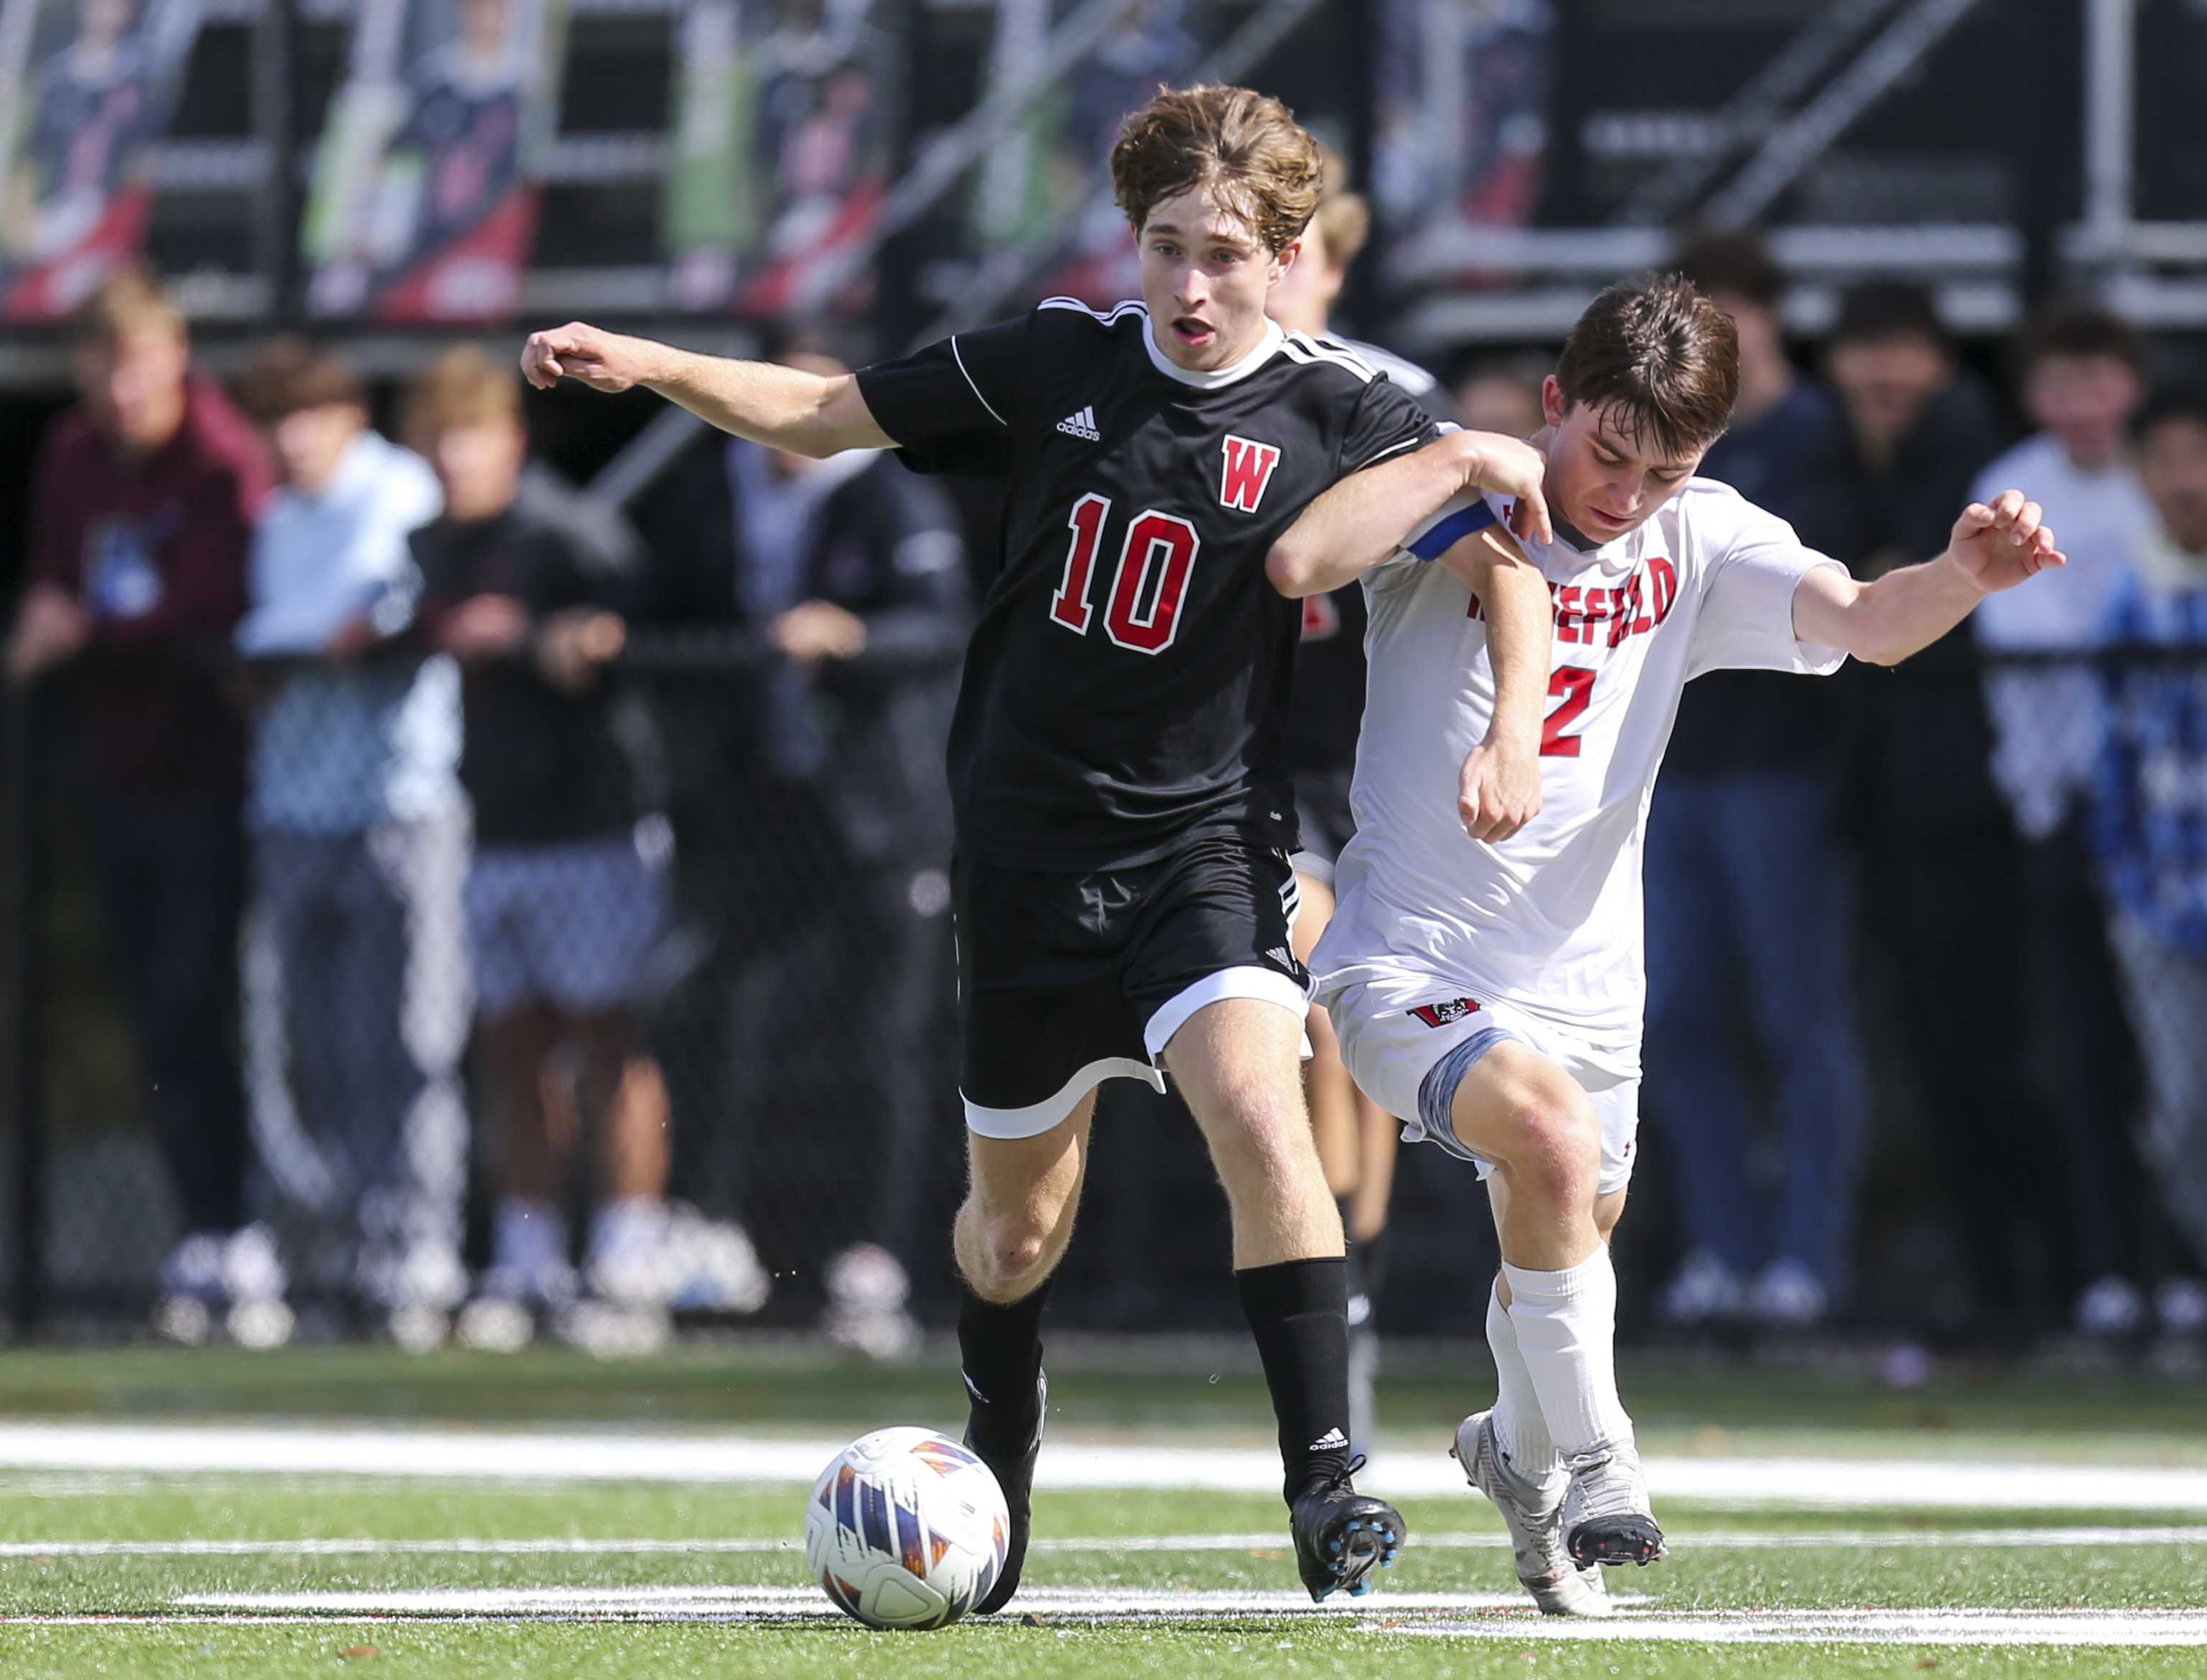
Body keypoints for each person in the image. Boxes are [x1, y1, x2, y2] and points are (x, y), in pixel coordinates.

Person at [522, 83, 1554, 1606]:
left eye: (1222, 251)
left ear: (1284, 255)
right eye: (1163, 246)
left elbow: (1502, 571)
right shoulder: (1054, 360)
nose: (1189, 284)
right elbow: (823, 415)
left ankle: (1326, 1479)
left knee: (1265, 1124)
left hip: (1207, 849)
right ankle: (994, 1452)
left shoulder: (1344, 411)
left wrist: (1514, 727)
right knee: (1014, 1229)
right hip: (1018, 862)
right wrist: (651, 360)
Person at [1276, 273, 2063, 1616]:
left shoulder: (1700, 534)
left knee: (1569, 1217)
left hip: (1587, 981)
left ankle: (1517, 1456)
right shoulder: (1470, 494)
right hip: (1403, 954)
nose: (1624, 495)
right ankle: (1601, 1462)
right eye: (1608, 453)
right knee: (1552, 1147)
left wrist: (1962, 576)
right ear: (1554, 404)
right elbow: (1302, 559)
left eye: (1665, 468)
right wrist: (1455, 454)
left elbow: (1870, 624)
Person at [401, 346, 761, 1357]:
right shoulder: (432, 540)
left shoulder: (570, 531)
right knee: (512, 1044)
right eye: (435, 439)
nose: (451, 459)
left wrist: (550, 638)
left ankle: (623, 1257)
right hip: (495, 826)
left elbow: (632, 630)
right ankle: (526, 1260)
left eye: (468, 436)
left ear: (510, 441)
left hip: (597, 823)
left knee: (609, 1040)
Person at [638, 331, 974, 1362]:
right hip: (767, 803)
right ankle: (708, 1226)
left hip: (884, 810)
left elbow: (944, 624)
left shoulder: (891, 494)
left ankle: (872, 1258)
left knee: (887, 1032)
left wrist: (853, 637)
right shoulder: (716, 492)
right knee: (715, 1000)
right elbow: (659, 607)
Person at [7, 266, 273, 1334]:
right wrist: (48, 611)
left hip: (214, 779)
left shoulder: (220, 456)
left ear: (175, 359)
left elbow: (207, 606)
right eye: (102, 366)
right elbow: (52, 577)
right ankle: (202, 1231)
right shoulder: (71, 454)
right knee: (154, 1020)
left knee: (199, 1002)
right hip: (117, 774)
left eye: (138, 363)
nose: (121, 389)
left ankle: (244, 1232)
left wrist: (84, 634)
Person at [1807, 279, 2049, 1337]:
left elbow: (1882, 596)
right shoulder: (1854, 448)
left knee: (1996, 1051)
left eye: (1905, 349)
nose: (1884, 371)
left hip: (1968, 807)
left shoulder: (1968, 447)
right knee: (1943, 1050)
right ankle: (1996, 1280)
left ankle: (2040, 1283)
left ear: (1947, 360)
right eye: (1865, 350)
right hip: (1897, 804)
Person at [1262, 151, 1449, 1451]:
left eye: (1305, 255)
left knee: (1361, 1030)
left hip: (1377, 747)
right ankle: (1326, 1274)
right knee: (1314, 992)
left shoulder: (1392, 397)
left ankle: (1357, 1279)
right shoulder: (1209, 388)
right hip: (1256, 752)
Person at [1645, 230, 1865, 1328]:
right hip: (1668, 774)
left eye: (1739, 314)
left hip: (1782, 775)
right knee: (1678, 1014)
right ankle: (1724, 1249)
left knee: (1798, 1017)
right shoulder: (1653, 440)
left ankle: (1807, 1259)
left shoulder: (1817, 432)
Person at [231, 337, 467, 1352]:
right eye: (274, 419)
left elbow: (370, 619)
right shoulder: (277, 517)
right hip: (293, 808)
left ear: (347, 417)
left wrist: (300, 638)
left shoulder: (399, 489)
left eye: (308, 415)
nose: (290, 439)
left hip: (398, 807)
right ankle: (345, 1249)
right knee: (322, 1049)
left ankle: (416, 1249)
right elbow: (277, 641)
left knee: (408, 1046)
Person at [1970, 301, 2156, 1338]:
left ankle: (2186, 1269)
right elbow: (2043, 643)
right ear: (2034, 392)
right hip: (2063, 813)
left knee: (2182, 1069)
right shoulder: (2009, 485)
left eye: (2104, 377)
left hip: (2181, 818)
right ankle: (2109, 1271)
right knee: (2085, 1050)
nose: (2086, 404)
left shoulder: (2178, 471)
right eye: (2062, 382)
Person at [2087, 390, 2207, 1319]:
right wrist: (2130, 887)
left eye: (2204, 453)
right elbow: (2113, 758)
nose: (2185, 476)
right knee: (2184, 1122)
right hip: (2167, 898)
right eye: (2164, 458)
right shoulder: (2127, 592)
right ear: (2139, 473)